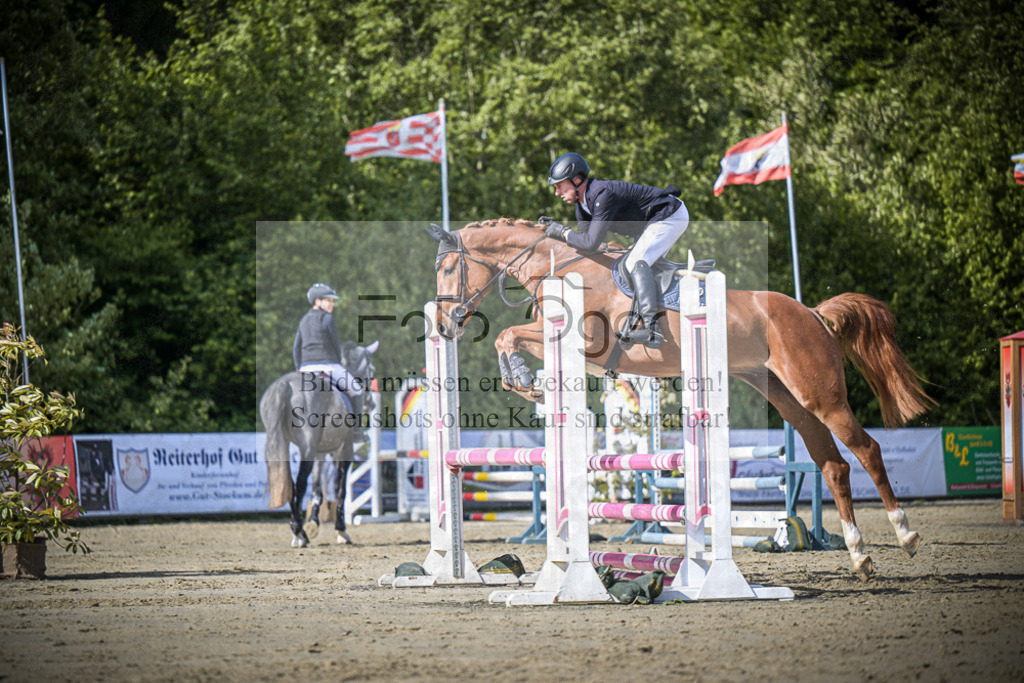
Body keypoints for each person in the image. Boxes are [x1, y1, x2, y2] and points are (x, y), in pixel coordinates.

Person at [539, 152, 689, 349]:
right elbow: (583, 244)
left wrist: (562, 231)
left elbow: (590, 242)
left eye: (559, 186)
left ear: (576, 180)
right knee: (629, 264)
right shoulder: (582, 204)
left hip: (669, 215)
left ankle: (653, 330)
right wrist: (556, 236)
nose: (557, 192)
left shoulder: (602, 195)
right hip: (651, 223)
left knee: (634, 264)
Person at [293, 282, 366, 442]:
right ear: (317, 301)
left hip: (305, 368)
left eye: (332, 301)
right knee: (356, 389)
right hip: (328, 365)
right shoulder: (327, 318)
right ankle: (357, 431)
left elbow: (296, 347)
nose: (332, 304)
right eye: (328, 300)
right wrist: (338, 361)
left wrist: (299, 368)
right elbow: (335, 343)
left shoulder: (303, 320)